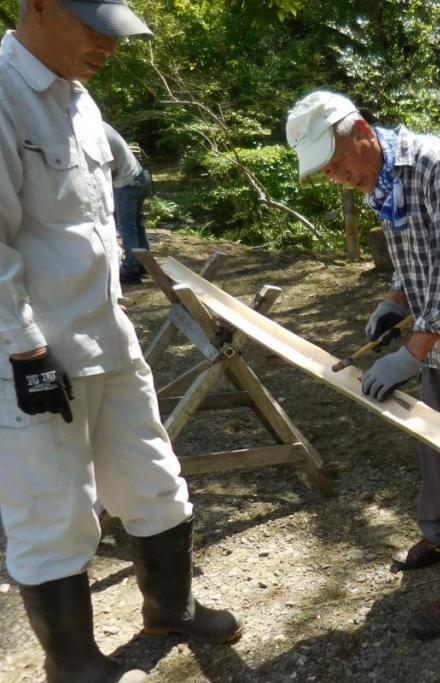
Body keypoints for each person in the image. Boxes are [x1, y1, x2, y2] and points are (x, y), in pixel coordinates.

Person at [0, 2, 241, 681]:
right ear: (40, 6)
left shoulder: (77, 93)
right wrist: (24, 349)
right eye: (94, 27)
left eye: (115, 30)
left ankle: (171, 605)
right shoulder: (3, 95)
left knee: (154, 478)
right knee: (54, 508)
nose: (109, 43)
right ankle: (73, 662)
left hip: (105, 331)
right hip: (34, 351)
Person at [286, 89, 440, 636]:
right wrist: (394, 303)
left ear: (362, 133)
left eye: (336, 162)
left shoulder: (434, 165)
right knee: (438, 448)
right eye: (327, 171)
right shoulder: (382, 181)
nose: (337, 177)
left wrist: (408, 354)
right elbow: (413, 259)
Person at [103, 121, 151, 285]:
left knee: (126, 227)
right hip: (140, 177)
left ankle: (131, 270)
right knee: (137, 225)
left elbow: (110, 169)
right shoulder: (104, 127)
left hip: (127, 183)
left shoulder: (97, 135)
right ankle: (145, 265)